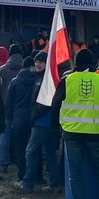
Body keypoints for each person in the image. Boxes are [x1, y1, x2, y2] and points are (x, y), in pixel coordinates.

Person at [52, 49, 99, 199]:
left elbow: (55, 105)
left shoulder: (67, 80)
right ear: (93, 63)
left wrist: (57, 127)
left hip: (71, 134)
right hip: (95, 133)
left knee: (76, 173)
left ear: (76, 63)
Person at [21, 52, 63, 191]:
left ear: (47, 63)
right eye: (36, 62)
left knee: (31, 151)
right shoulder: (43, 78)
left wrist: (34, 115)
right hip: (50, 123)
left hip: (42, 123)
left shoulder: (46, 80)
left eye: (41, 62)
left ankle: (28, 183)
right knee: (50, 153)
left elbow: (46, 102)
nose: (37, 64)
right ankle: (55, 183)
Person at [5, 57, 38, 181]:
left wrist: (10, 118)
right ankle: (37, 175)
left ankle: (22, 174)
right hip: (35, 119)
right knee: (35, 148)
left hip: (18, 119)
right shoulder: (37, 80)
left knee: (20, 147)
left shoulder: (14, 82)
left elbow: (8, 103)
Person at [0, 45, 25, 171]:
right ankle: (20, 161)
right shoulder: (25, 70)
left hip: (4, 106)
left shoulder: (1, 70)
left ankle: (3, 162)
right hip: (21, 107)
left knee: (5, 133)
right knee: (21, 135)